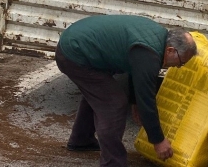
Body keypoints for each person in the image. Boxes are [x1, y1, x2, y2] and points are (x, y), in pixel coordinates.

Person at [55, 14, 197, 167]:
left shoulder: (156, 37)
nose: (177, 67)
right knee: (114, 103)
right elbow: (147, 100)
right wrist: (158, 140)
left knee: (100, 93)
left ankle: (81, 139)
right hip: (74, 54)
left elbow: (135, 70)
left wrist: (134, 101)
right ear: (170, 50)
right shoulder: (149, 55)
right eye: (181, 62)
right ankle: (112, 162)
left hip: (77, 45)